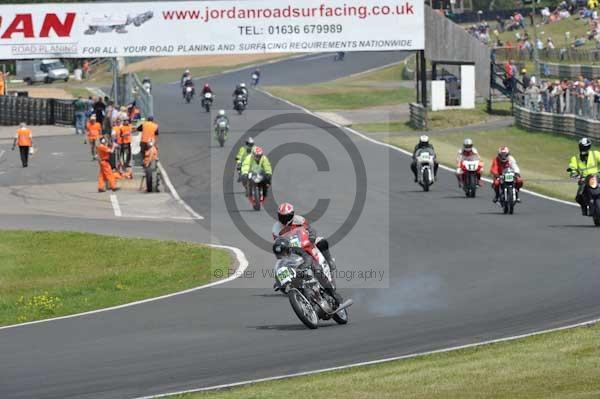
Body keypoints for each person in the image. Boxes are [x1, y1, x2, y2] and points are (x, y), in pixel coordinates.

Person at [272, 203, 341, 303]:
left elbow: (310, 230)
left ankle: (329, 260)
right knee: (282, 259)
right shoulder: (276, 228)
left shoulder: (299, 220)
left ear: (292, 215)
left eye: (286, 216)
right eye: (281, 216)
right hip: (292, 248)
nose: (284, 219)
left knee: (321, 241)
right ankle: (286, 276)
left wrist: (312, 237)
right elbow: (279, 243)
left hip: (305, 241)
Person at [568, 137, 600, 215]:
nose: (583, 149)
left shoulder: (595, 154)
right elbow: (572, 167)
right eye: (582, 147)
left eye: (585, 147)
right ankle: (584, 207)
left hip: (598, 177)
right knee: (579, 195)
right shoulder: (575, 158)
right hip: (584, 179)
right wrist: (573, 173)